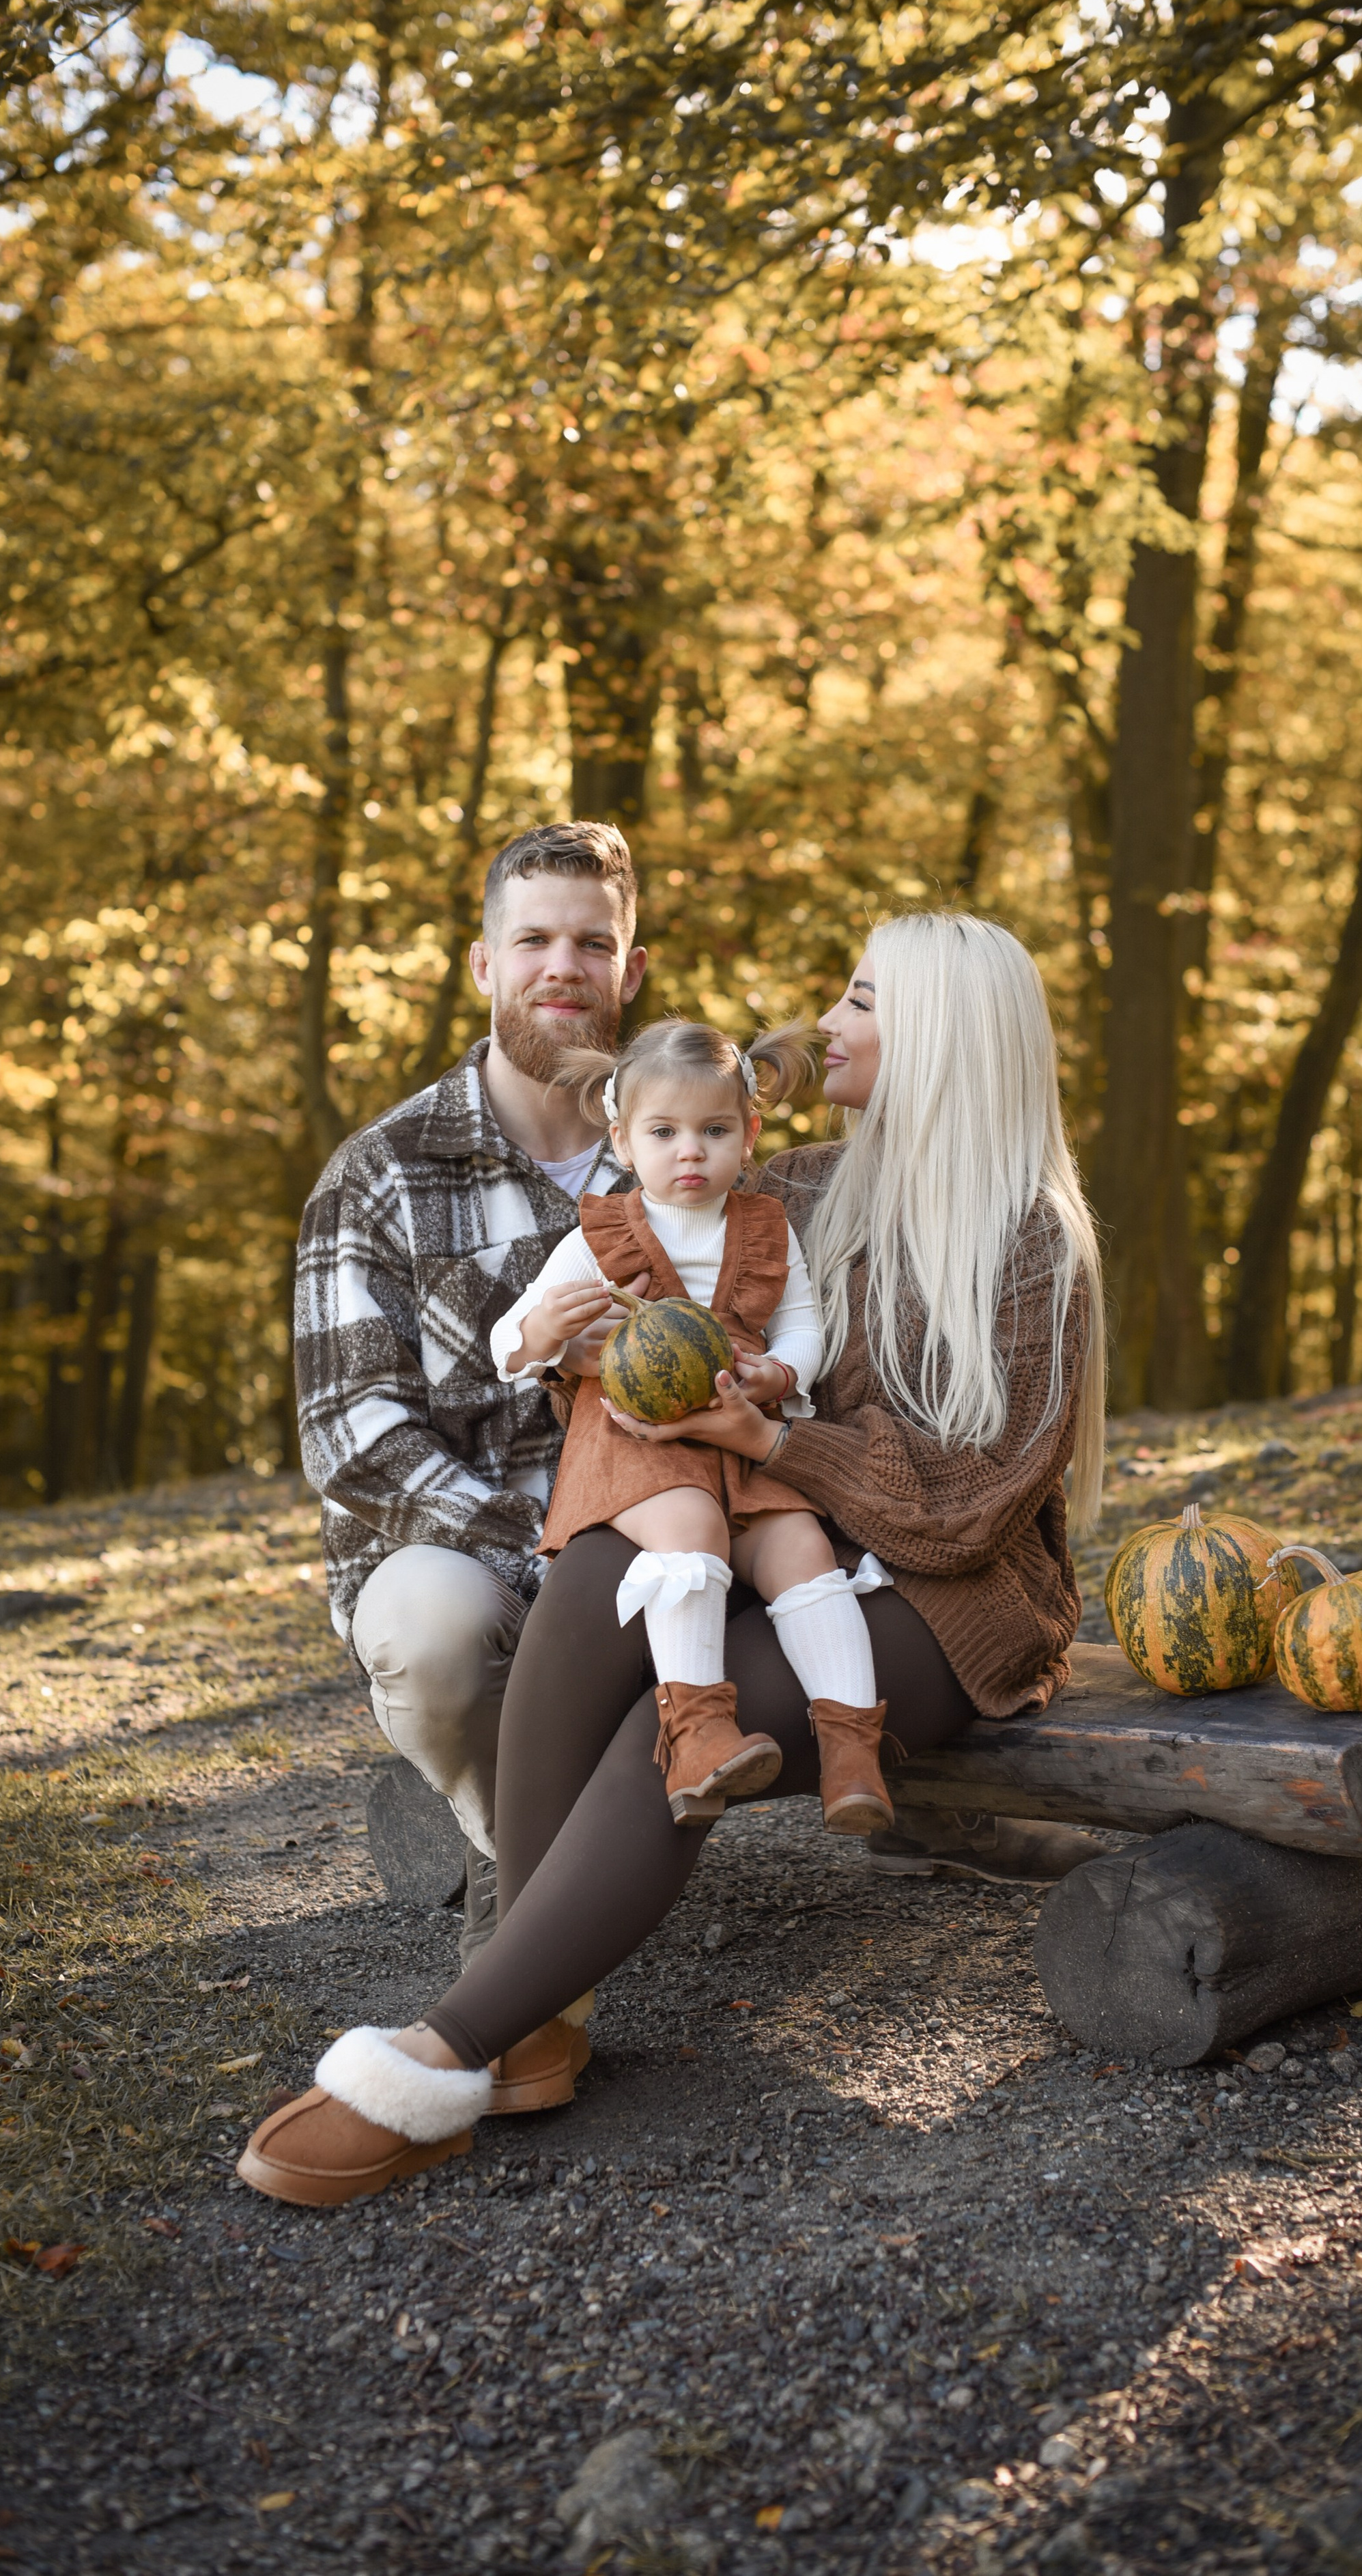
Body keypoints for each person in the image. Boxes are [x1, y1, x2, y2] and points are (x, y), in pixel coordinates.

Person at [240, 913, 1105, 2208]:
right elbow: (655, 1283)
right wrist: (594, 1343)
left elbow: (969, 1514)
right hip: (780, 1541)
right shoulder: (803, 1187)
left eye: (860, 1001)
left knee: (682, 1712)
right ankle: (531, 2014)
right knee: (606, 1568)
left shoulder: (1035, 1242)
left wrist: (768, 1430)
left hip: (948, 1605)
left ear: (934, 1037)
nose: (827, 1025)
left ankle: (445, 2055)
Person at [294, 819, 647, 1937]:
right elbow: (354, 1436)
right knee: (433, 1628)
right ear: (484, 965)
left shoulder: (678, 1159)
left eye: (592, 945)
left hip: (653, 1544)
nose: (563, 967)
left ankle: (551, 1891)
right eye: (533, 939)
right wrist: (543, 1557)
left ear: (630, 971)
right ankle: (557, 1897)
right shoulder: (384, 1171)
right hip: (465, 1562)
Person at [490, 1016, 895, 1835]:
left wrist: (783, 1372)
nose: (689, 1152)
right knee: (690, 1527)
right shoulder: (598, 1236)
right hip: (635, 1444)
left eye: (712, 1131)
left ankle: (852, 1749)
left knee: (804, 1551)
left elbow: (805, 1325)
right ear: (622, 1139)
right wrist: (540, 1334)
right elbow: (507, 1340)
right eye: (664, 1132)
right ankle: (697, 1733)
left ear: (747, 1135)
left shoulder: (766, 1227)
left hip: (741, 1428)